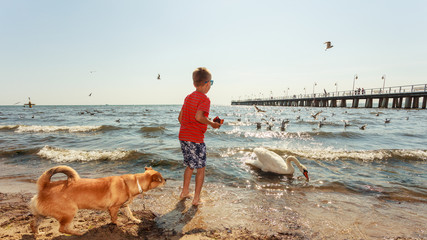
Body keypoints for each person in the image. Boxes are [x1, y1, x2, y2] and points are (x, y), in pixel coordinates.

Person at [178, 67, 221, 206]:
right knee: (200, 168)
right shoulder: (205, 99)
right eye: (211, 83)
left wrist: (188, 126)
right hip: (196, 139)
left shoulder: (188, 97)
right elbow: (199, 117)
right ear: (207, 83)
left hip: (184, 137)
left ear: (194, 83)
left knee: (190, 165)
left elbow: (180, 118)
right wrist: (212, 124)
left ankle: (184, 191)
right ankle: (196, 199)